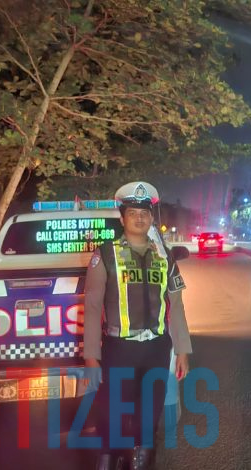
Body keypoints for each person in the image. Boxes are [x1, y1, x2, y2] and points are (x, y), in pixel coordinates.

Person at [83, 181, 192, 470]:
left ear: (151, 218)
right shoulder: (105, 255)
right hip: (119, 348)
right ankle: (108, 458)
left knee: (150, 411)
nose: (139, 218)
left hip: (157, 348)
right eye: (132, 213)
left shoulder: (164, 256)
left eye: (144, 213)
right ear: (122, 218)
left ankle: (142, 460)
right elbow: (92, 308)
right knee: (113, 411)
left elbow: (176, 304)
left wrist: (182, 350)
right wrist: (91, 357)